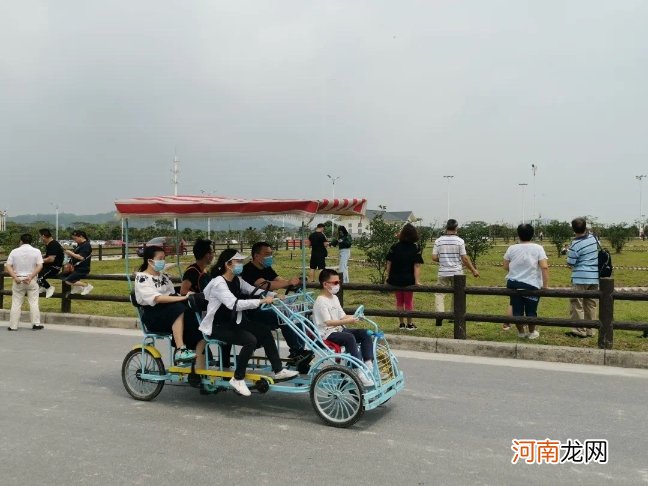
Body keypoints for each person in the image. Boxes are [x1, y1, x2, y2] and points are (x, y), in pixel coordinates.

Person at [199, 249, 299, 397]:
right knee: (249, 340)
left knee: (264, 331)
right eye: (238, 262)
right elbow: (234, 304)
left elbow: (253, 289)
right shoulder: (219, 283)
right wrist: (261, 301)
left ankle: (278, 370)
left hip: (234, 321)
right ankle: (237, 378)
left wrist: (274, 295)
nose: (241, 265)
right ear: (228, 264)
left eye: (241, 261)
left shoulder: (237, 279)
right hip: (217, 326)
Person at [241, 241, 313, 364]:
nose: (270, 257)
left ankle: (301, 349)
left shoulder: (266, 267)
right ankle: (296, 351)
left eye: (271, 253)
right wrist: (288, 282)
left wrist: (293, 283)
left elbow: (279, 280)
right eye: (267, 254)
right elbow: (265, 285)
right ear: (257, 256)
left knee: (295, 314)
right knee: (283, 316)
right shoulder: (248, 270)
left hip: (266, 306)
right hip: (252, 311)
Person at [134, 246, 205, 365]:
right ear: (150, 261)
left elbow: (172, 294)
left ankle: (197, 364)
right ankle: (180, 349)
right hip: (154, 316)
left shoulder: (164, 277)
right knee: (178, 308)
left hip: (169, 313)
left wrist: (187, 297)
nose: (163, 261)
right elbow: (157, 298)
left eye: (164, 258)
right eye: (160, 258)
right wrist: (183, 297)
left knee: (194, 317)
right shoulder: (142, 278)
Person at [312, 269, 374, 387]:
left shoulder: (334, 298)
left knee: (365, 333)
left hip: (338, 330)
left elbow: (342, 316)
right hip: (326, 333)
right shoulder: (321, 301)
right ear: (325, 284)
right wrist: (348, 321)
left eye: (338, 282)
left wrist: (356, 316)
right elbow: (328, 322)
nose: (338, 285)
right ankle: (358, 371)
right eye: (334, 283)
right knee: (349, 337)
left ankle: (368, 364)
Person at [503, 224, 549, 340]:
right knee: (531, 311)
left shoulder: (512, 248)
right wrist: (545, 285)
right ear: (533, 234)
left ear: (518, 234)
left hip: (513, 283)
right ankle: (532, 332)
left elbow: (505, 265)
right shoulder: (538, 248)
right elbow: (544, 267)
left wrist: (516, 271)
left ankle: (521, 333)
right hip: (531, 284)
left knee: (517, 310)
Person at [431, 219, 479, 326]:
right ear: (456, 228)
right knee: (457, 294)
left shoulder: (438, 241)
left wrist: (443, 259)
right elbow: (465, 259)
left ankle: (440, 314)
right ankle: (454, 315)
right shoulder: (460, 241)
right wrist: (473, 270)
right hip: (457, 272)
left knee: (439, 293)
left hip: (443, 272)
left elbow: (434, 257)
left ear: (446, 228)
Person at [386, 223, 423, 330]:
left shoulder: (394, 246)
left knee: (399, 301)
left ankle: (401, 324)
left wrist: (388, 278)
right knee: (408, 301)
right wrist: (416, 281)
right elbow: (416, 265)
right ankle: (410, 324)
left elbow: (389, 263)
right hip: (408, 279)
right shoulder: (415, 248)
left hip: (395, 279)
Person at [566, 217, 599, 338]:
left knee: (577, 303)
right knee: (591, 304)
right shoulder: (594, 238)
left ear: (573, 229)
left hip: (580, 277)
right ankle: (591, 330)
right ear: (585, 227)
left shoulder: (575, 244)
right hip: (594, 276)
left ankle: (580, 330)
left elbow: (570, 263)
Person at [5, 234, 44, 331]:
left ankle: (13, 325)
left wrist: (15, 277)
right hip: (31, 280)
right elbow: (40, 265)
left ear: (21, 241)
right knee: (34, 302)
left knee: (16, 303)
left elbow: (8, 266)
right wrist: (30, 276)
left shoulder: (14, 251)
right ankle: (36, 323)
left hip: (18, 279)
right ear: (31, 241)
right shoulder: (36, 251)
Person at [62, 230, 93, 295]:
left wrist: (71, 253)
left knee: (68, 281)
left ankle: (86, 286)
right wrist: (70, 254)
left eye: (75, 238)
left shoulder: (86, 245)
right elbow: (75, 256)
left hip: (82, 268)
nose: (74, 240)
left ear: (81, 236)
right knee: (62, 276)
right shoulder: (79, 245)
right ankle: (78, 287)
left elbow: (81, 257)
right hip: (76, 268)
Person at [37, 228, 64, 298]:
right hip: (48, 266)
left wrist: (39, 261)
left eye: (40, 236)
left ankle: (49, 288)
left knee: (39, 278)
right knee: (35, 274)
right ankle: (43, 287)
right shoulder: (49, 244)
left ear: (43, 236)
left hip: (54, 267)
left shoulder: (53, 244)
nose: (40, 238)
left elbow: (51, 259)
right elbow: (48, 256)